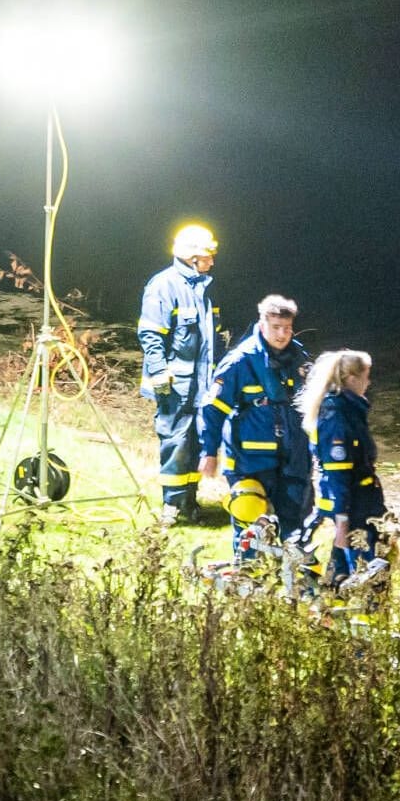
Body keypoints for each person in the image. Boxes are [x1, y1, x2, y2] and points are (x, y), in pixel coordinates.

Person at [198, 295, 313, 556]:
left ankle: (292, 579)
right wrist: (209, 452)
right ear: (262, 325)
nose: (282, 334)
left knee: (295, 520)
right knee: (250, 518)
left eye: (287, 328)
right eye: (276, 328)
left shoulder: (300, 359)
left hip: (293, 457)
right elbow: (213, 409)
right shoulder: (241, 362)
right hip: (250, 459)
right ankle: (247, 578)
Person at [138, 223, 223, 526]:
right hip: (174, 386)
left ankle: (189, 502)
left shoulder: (200, 290)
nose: (212, 260)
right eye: (207, 255)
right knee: (175, 443)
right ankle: (171, 507)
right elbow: (150, 333)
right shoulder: (163, 286)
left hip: (199, 386)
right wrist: (159, 371)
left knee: (194, 445)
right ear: (191, 257)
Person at [298, 349, 388, 586]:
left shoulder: (347, 409)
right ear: (351, 379)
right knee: (363, 571)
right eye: (366, 376)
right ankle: (358, 613)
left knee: (348, 570)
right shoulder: (337, 416)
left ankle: (337, 600)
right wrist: (342, 520)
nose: (368, 382)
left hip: (361, 501)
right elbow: (338, 472)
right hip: (354, 506)